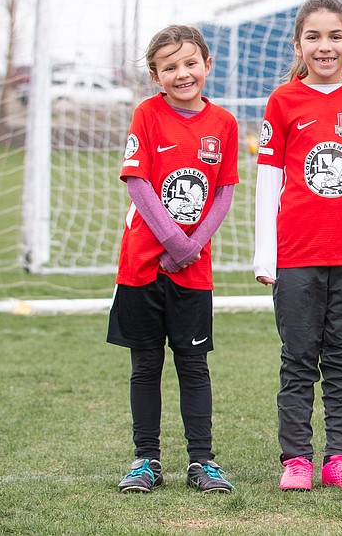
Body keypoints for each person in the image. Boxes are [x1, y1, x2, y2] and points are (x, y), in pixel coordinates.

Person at [253, 0, 342, 491]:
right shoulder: (283, 101)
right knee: (298, 357)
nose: (325, 46)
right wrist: (264, 254)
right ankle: (296, 460)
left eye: (335, 36)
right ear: (298, 44)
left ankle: (338, 457)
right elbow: (268, 181)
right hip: (297, 255)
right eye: (313, 36)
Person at [108, 24, 239, 494]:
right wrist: (173, 243)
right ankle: (146, 460)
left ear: (206, 64)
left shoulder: (223, 123)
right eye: (170, 67)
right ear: (155, 75)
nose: (182, 74)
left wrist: (191, 247)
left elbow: (223, 192)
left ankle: (202, 462)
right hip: (143, 266)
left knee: (193, 365)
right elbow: (138, 183)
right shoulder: (147, 114)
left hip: (192, 272)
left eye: (189, 63)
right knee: (145, 365)